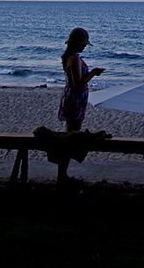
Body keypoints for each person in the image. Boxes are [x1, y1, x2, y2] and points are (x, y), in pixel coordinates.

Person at [56, 27, 104, 188]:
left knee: (70, 135)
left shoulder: (69, 57)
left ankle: (63, 175)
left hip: (73, 98)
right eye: (83, 44)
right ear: (77, 44)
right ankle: (63, 177)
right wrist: (93, 73)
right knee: (71, 137)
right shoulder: (75, 59)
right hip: (75, 99)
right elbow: (78, 83)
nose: (84, 47)